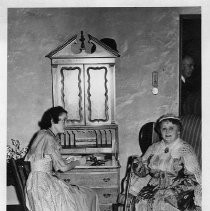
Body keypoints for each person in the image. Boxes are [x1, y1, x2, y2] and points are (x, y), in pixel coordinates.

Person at [25, 106, 100, 211]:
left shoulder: (43, 133)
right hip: (43, 187)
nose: (66, 124)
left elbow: (48, 162)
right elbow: (63, 168)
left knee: (82, 194)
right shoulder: (49, 138)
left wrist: (68, 160)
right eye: (64, 121)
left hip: (35, 182)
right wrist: (79, 162)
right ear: (52, 121)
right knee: (88, 195)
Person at [132, 114, 201, 211]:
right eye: (164, 128)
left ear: (178, 131)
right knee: (142, 201)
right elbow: (144, 172)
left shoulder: (185, 149)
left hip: (178, 190)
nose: (167, 131)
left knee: (163, 203)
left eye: (171, 128)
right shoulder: (154, 148)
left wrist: (174, 191)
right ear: (160, 132)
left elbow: (194, 179)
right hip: (154, 187)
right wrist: (138, 165)